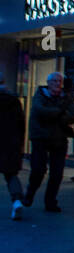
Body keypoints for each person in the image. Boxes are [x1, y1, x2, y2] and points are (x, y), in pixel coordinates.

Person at [25, 72, 74, 213]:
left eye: (59, 81)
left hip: (59, 139)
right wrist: (60, 113)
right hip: (41, 137)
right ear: (48, 83)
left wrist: (58, 115)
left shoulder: (66, 98)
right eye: (54, 81)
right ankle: (30, 194)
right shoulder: (40, 95)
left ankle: (50, 201)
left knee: (57, 173)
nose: (57, 83)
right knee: (38, 170)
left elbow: (73, 115)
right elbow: (41, 111)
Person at [0, 71, 25, 219]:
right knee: (11, 175)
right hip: (10, 143)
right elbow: (21, 125)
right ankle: (16, 201)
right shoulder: (14, 100)